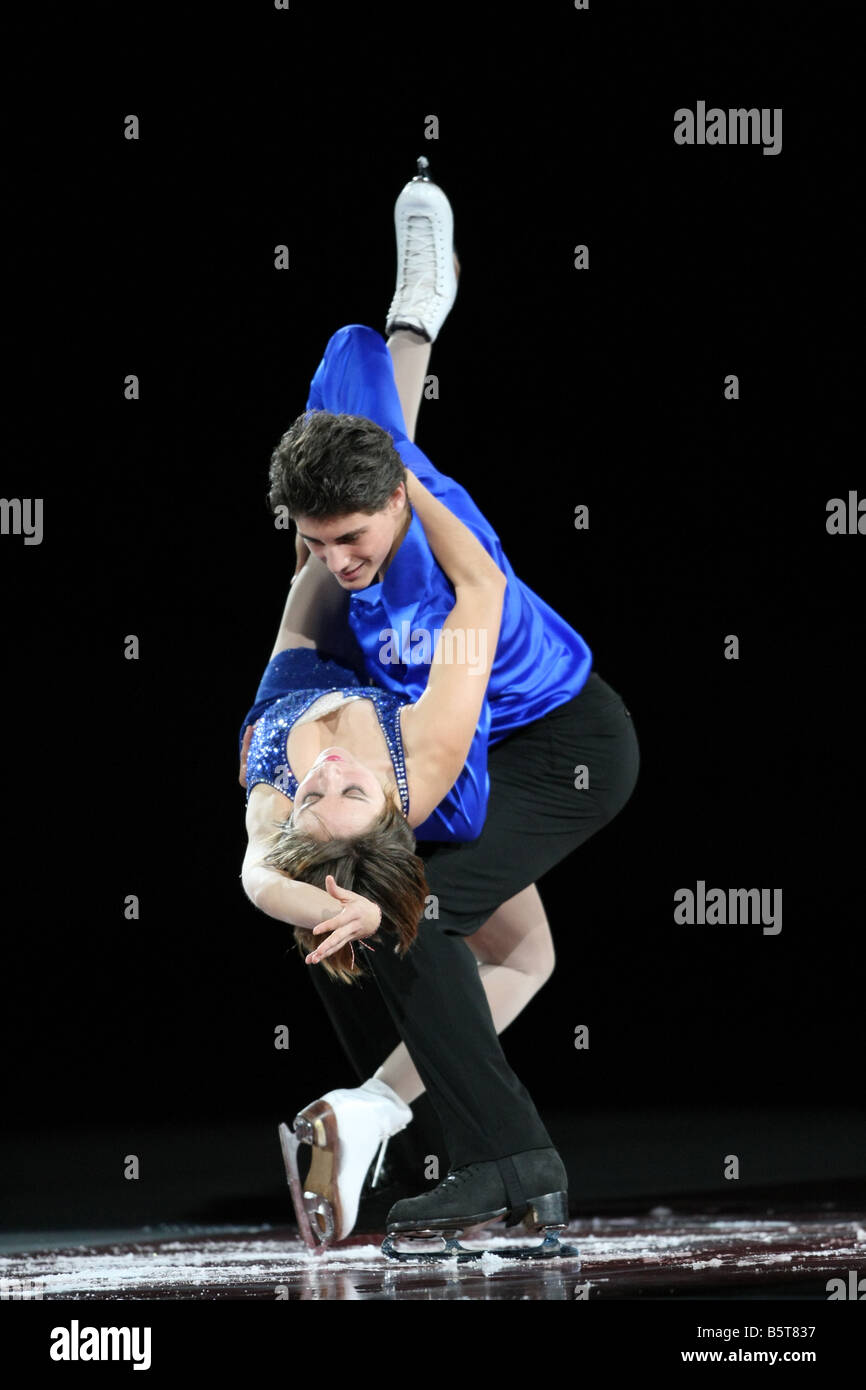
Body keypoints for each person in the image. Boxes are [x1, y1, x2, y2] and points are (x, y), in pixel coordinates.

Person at [240, 158, 640, 1259]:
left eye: (351, 542)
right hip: (464, 736)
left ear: (398, 503)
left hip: (560, 745)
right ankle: (372, 1113)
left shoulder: (448, 581)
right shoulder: (355, 492)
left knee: (404, 911)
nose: (335, 565)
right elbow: (379, 370)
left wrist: (368, 887)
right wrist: (418, 296)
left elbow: (448, 742)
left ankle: (510, 1161)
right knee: (513, 958)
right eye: (315, 546)